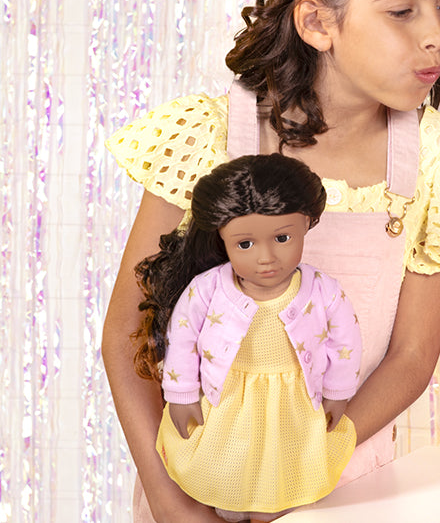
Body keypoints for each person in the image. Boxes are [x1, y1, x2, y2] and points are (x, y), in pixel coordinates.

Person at [103, 0, 440, 523]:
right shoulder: (204, 137)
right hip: (197, 484)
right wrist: (173, 501)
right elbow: (127, 336)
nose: (437, 37)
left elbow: (409, 361)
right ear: (317, 22)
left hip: (345, 486)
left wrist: (303, 470)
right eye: (402, 11)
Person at [132, 154, 362, 521]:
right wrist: (181, 396)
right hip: (227, 399)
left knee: (282, 472)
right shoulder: (207, 289)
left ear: (306, 224)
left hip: (293, 402)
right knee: (227, 465)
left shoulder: (322, 290)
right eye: (245, 244)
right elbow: (183, 339)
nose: (266, 257)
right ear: (221, 237)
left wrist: (338, 392)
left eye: (282, 238)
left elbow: (345, 343)